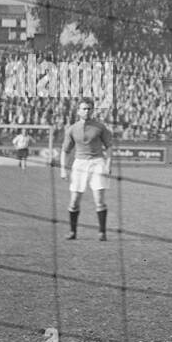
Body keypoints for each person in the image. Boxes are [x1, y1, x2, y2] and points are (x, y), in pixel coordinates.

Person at [61, 98, 113, 241]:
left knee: (99, 200)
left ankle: (102, 232)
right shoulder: (72, 129)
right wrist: (63, 169)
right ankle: (72, 232)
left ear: (92, 110)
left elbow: (109, 146)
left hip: (97, 163)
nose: (87, 111)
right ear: (78, 111)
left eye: (89, 108)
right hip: (79, 164)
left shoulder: (100, 127)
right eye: (84, 108)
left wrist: (108, 165)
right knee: (74, 201)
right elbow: (65, 151)